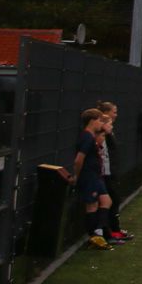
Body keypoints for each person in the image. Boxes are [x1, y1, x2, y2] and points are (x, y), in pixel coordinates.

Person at [57, 107, 114, 250]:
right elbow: (78, 160)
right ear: (92, 121)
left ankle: (99, 231)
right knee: (92, 205)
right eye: (100, 120)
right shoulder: (87, 138)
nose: (102, 123)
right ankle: (94, 235)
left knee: (106, 201)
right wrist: (77, 175)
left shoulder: (91, 136)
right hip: (89, 176)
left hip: (95, 175)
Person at [94, 101, 132, 242]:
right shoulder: (100, 135)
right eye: (114, 112)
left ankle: (111, 230)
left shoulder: (106, 134)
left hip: (109, 172)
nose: (116, 115)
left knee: (112, 200)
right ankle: (107, 231)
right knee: (110, 200)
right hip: (105, 174)